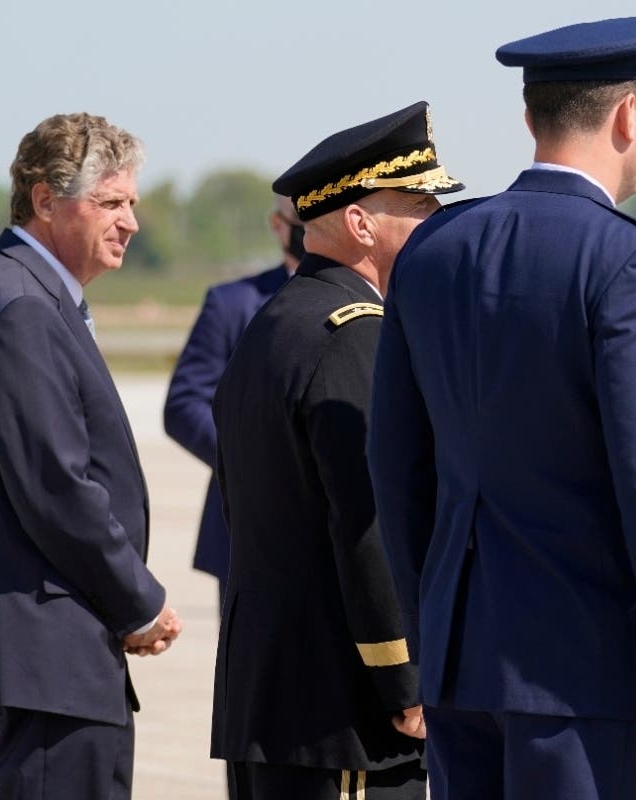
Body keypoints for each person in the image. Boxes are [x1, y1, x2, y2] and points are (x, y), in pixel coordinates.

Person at [367, 17, 636, 800]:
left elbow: (395, 466)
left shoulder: (434, 250)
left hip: (459, 659)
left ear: (529, 117)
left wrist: (432, 627)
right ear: (629, 114)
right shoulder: (628, 257)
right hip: (582, 670)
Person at [210, 101, 464, 800]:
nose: (434, 219)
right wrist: (405, 678)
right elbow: (368, 525)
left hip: (276, 705)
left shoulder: (275, 323)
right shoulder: (357, 335)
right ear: (359, 222)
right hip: (345, 716)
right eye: (417, 203)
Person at [0, 112, 183, 799]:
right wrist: (138, 603)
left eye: (132, 204)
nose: (131, 222)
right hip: (49, 645)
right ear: (45, 201)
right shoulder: (22, 303)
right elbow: (56, 486)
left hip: (54, 641)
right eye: (111, 202)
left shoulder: (22, 290)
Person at [164, 194, 304, 609]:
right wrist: (255, 460)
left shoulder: (374, 296)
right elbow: (185, 404)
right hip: (250, 527)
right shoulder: (233, 304)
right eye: (300, 220)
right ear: (278, 225)